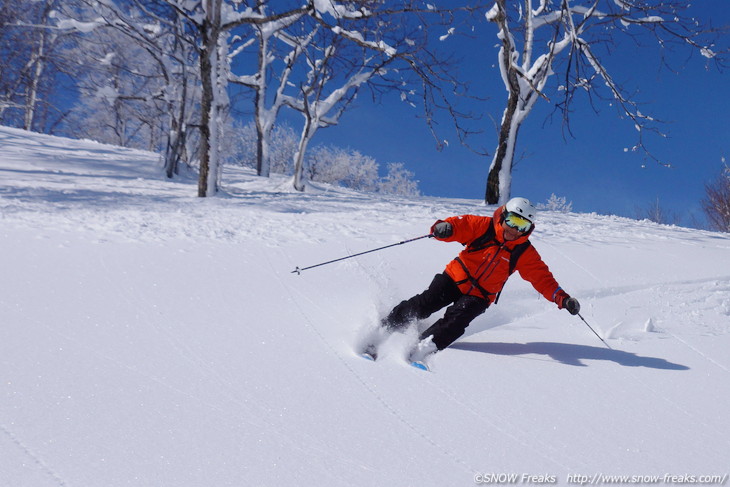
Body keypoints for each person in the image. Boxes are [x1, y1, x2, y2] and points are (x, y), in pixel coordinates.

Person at [375, 197, 580, 364]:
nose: (514, 229)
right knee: (425, 303)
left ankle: (421, 347)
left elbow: (542, 278)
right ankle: (385, 328)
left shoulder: (524, 251)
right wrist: (443, 228)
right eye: (512, 221)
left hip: (481, 295)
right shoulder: (484, 227)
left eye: (522, 225)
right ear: (504, 216)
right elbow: (459, 225)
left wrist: (562, 299)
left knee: (456, 321)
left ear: (529, 228)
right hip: (455, 277)